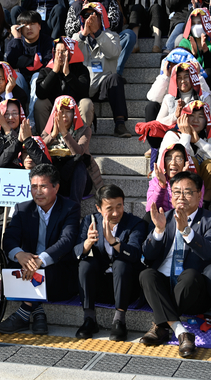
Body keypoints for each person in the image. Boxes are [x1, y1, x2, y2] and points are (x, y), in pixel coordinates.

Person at [0, 164, 80, 335]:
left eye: (43, 186)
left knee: (48, 272)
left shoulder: (70, 208)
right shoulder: (22, 208)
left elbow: (67, 240)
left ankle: (23, 314)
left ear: (56, 187)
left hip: (56, 267)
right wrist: (20, 254)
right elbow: (9, 237)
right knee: (12, 266)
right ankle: (38, 313)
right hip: (27, 265)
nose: (38, 192)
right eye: (34, 187)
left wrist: (40, 261)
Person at [140, 171, 211, 358]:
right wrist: (159, 230)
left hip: (191, 288)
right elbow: (147, 254)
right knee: (146, 275)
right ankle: (181, 331)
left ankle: (161, 324)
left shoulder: (208, 220)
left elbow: (209, 252)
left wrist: (186, 231)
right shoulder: (164, 216)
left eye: (187, 192)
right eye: (177, 192)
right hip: (165, 283)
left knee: (189, 275)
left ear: (199, 194)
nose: (181, 197)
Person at [73, 185, 147, 341]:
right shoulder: (90, 220)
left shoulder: (135, 223)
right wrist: (87, 243)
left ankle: (119, 320)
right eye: (109, 208)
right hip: (100, 286)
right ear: (99, 208)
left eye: (119, 206)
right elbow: (76, 251)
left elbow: (134, 254)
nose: (115, 213)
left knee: (121, 263)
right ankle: (89, 319)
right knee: (85, 264)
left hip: (126, 287)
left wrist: (113, 241)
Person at [72, 2, 132, 138]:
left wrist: (98, 34)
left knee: (116, 78)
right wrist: (83, 35)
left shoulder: (112, 36)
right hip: (83, 86)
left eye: (93, 16)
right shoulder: (77, 38)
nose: (90, 19)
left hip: (102, 85)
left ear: (102, 18)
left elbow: (113, 53)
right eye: (86, 16)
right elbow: (71, 56)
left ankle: (120, 124)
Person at [41, 95, 103, 203]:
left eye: (68, 111)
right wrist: (53, 134)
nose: (64, 115)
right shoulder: (48, 130)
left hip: (78, 180)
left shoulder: (84, 130)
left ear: (74, 113)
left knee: (80, 163)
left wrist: (64, 133)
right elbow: (40, 149)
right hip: (57, 178)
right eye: (61, 111)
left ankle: (74, 209)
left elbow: (79, 152)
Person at [35, 36, 93, 135]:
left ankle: (80, 140)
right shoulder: (46, 70)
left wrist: (68, 75)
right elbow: (40, 93)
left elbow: (84, 93)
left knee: (86, 103)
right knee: (40, 104)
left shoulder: (81, 70)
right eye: (57, 51)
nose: (60, 55)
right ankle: (45, 140)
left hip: (73, 109)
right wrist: (54, 72)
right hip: (54, 110)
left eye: (64, 52)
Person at [5, 11, 53, 126]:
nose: (28, 28)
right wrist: (16, 38)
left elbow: (47, 64)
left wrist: (21, 62)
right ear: (19, 28)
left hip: (41, 88)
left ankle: (31, 121)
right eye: (24, 25)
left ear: (40, 26)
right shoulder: (14, 42)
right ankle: (18, 120)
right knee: (16, 77)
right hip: (23, 86)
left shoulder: (48, 42)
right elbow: (10, 62)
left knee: (37, 76)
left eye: (32, 24)